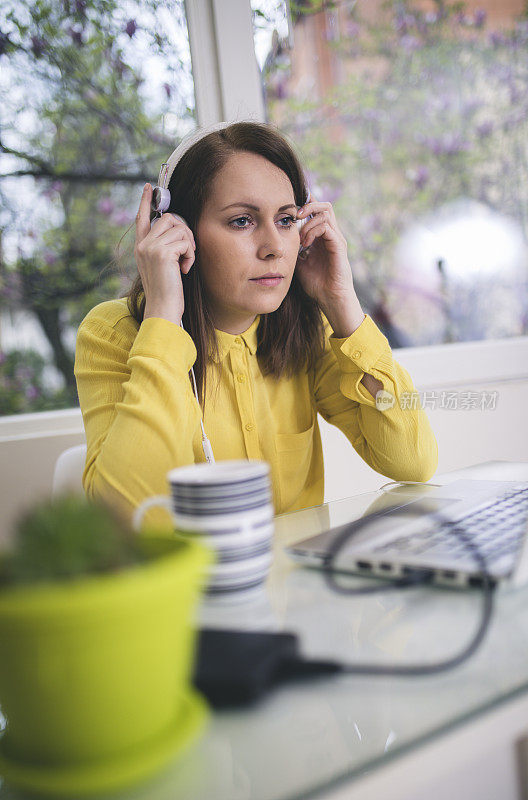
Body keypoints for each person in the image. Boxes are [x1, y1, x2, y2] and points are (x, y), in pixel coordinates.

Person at [74, 121, 438, 531]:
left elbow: (413, 461)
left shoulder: (306, 328)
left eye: (285, 220)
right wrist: (164, 316)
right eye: (242, 221)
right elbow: (119, 518)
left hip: (296, 588)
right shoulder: (114, 333)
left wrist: (342, 303)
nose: (273, 247)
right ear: (177, 229)